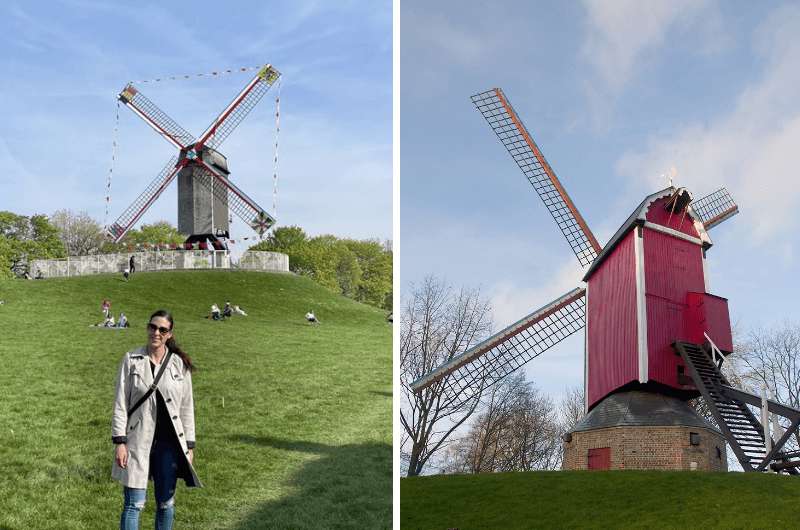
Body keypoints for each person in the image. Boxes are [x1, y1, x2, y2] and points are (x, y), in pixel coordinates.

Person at [112, 310, 201, 529]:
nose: (156, 333)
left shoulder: (179, 364)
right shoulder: (131, 359)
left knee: (165, 503)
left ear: (170, 334)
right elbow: (120, 403)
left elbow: (187, 408)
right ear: (147, 327)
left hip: (168, 444)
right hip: (137, 440)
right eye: (153, 327)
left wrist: (189, 445)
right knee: (134, 504)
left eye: (162, 329)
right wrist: (120, 441)